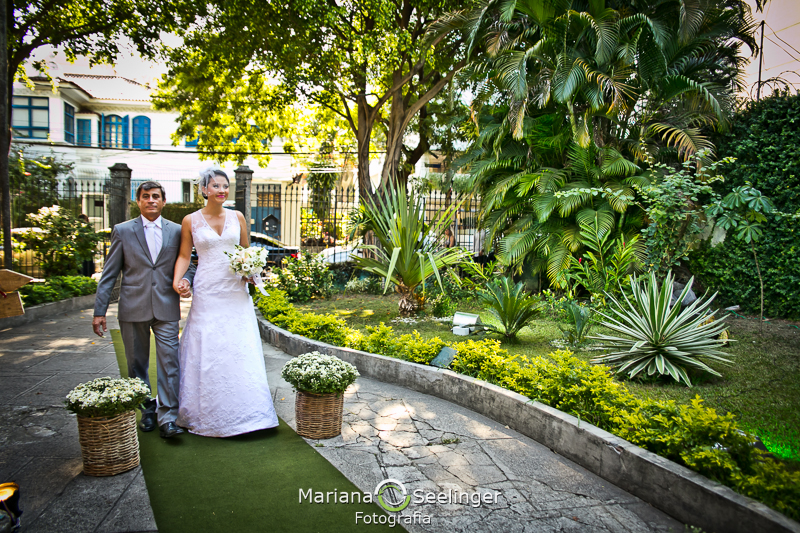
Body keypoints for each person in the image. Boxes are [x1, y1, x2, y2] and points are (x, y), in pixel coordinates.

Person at [172, 168, 278, 437]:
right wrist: (177, 280)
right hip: (207, 289)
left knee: (238, 344)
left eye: (225, 186)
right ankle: (205, 414)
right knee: (208, 344)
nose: (221, 190)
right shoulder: (190, 221)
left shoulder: (238, 217)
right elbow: (185, 256)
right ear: (204, 189)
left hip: (234, 289)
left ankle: (250, 413)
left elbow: (246, 250)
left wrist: (252, 273)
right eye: (215, 186)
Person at [93, 182, 195, 439]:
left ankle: (168, 417)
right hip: (132, 306)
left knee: (170, 362)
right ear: (137, 201)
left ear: (163, 201)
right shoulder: (123, 231)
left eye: (156, 197)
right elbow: (109, 274)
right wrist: (99, 311)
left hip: (166, 306)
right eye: (146, 197)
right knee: (136, 364)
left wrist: (186, 281)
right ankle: (146, 410)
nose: (151, 200)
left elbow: (189, 265)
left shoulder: (176, 231)